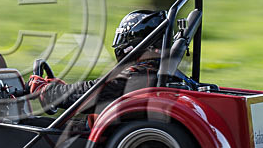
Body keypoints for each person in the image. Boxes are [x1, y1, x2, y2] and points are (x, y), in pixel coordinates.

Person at [27, 10, 165, 112]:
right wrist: (58, 89)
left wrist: (47, 91)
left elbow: (91, 92)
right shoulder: (154, 72)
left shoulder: (137, 76)